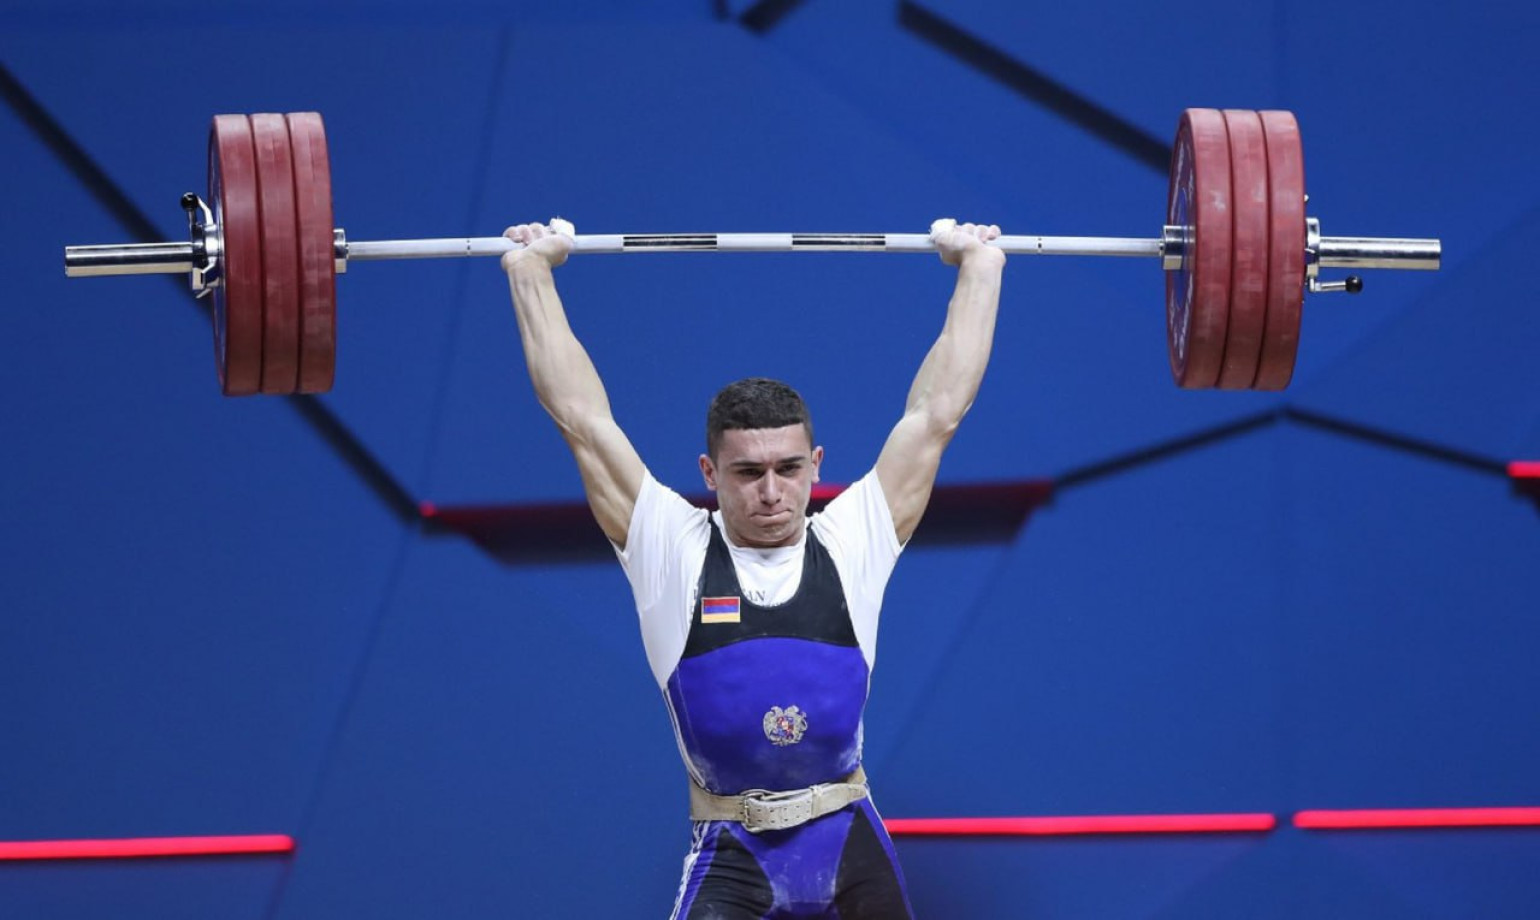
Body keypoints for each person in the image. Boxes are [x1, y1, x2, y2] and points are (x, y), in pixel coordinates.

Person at [501, 217, 1005, 919]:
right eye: (747, 472)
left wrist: (980, 268)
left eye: (788, 468)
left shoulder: (853, 537)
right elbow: (582, 419)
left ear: (815, 466)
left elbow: (937, 413)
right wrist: (531, 274)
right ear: (709, 473)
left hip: (848, 844)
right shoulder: (669, 548)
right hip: (732, 853)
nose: (771, 491)